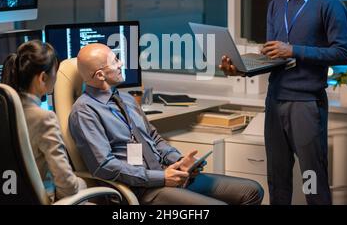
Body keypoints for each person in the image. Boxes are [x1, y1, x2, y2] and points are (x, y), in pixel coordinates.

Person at [220, 0, 347, 205]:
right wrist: (240, 70)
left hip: (306, 104)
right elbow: (274, 56)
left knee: (313, 182)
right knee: (277, 182)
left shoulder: (330, 5)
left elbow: (343, 53)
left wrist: (293, 50)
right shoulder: (277, 4)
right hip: (275, 100)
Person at [68, 43, 264, 205]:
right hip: (141, 189)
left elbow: (153, 137)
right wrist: (161, 178)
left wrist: (179, 161)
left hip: (166, 174)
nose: (121, 63)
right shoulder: (85, 111)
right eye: (115, 61)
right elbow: (104, 166)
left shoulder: (126, 99)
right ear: (100, 75)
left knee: (251, 191)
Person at [2, 40, 87, 201]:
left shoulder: (1, 110)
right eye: (56, 72)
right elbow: (66, 184)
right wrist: (82, 184)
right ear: (42, 78)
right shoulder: (43, 118)